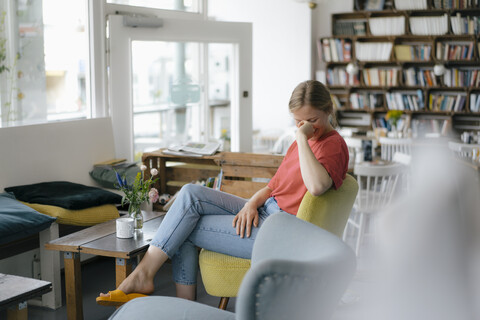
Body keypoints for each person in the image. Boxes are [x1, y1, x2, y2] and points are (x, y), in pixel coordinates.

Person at [97, 80, 349, 305]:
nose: (305, 127)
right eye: (298, 122)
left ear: (328, 111)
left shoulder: (333, 145)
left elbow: (316, 186)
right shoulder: (300, 143)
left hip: (280, 233)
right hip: (266, 211)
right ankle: (147, 277)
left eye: (312, 121)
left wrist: (303, 139)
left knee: (184, 226)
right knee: (189, 194)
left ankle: (163, 291)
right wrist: (251, 203)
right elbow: (274, 186)